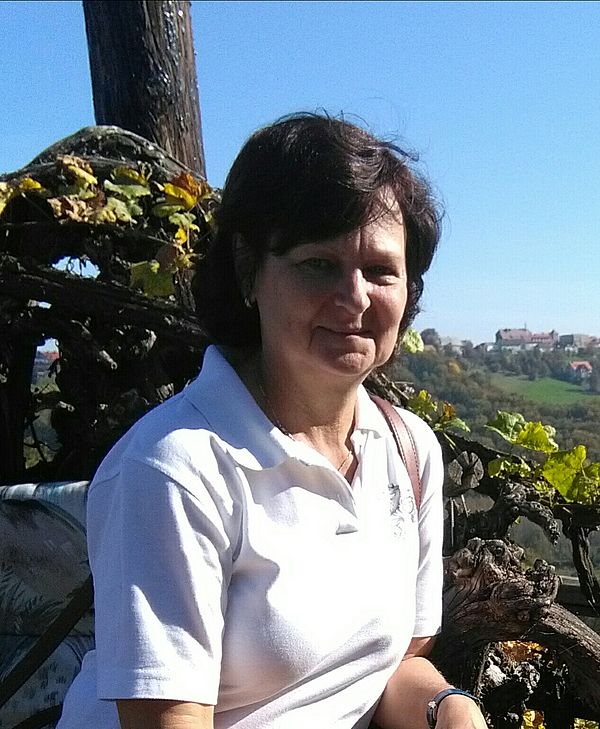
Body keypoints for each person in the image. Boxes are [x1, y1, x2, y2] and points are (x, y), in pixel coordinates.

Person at [57, 113, 488, 729]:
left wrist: (450, 709)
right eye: (318, 263)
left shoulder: (408, 451)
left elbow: (390, 667)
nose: (355, 297)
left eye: (380, 270)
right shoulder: (176, 471)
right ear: (248, 269)